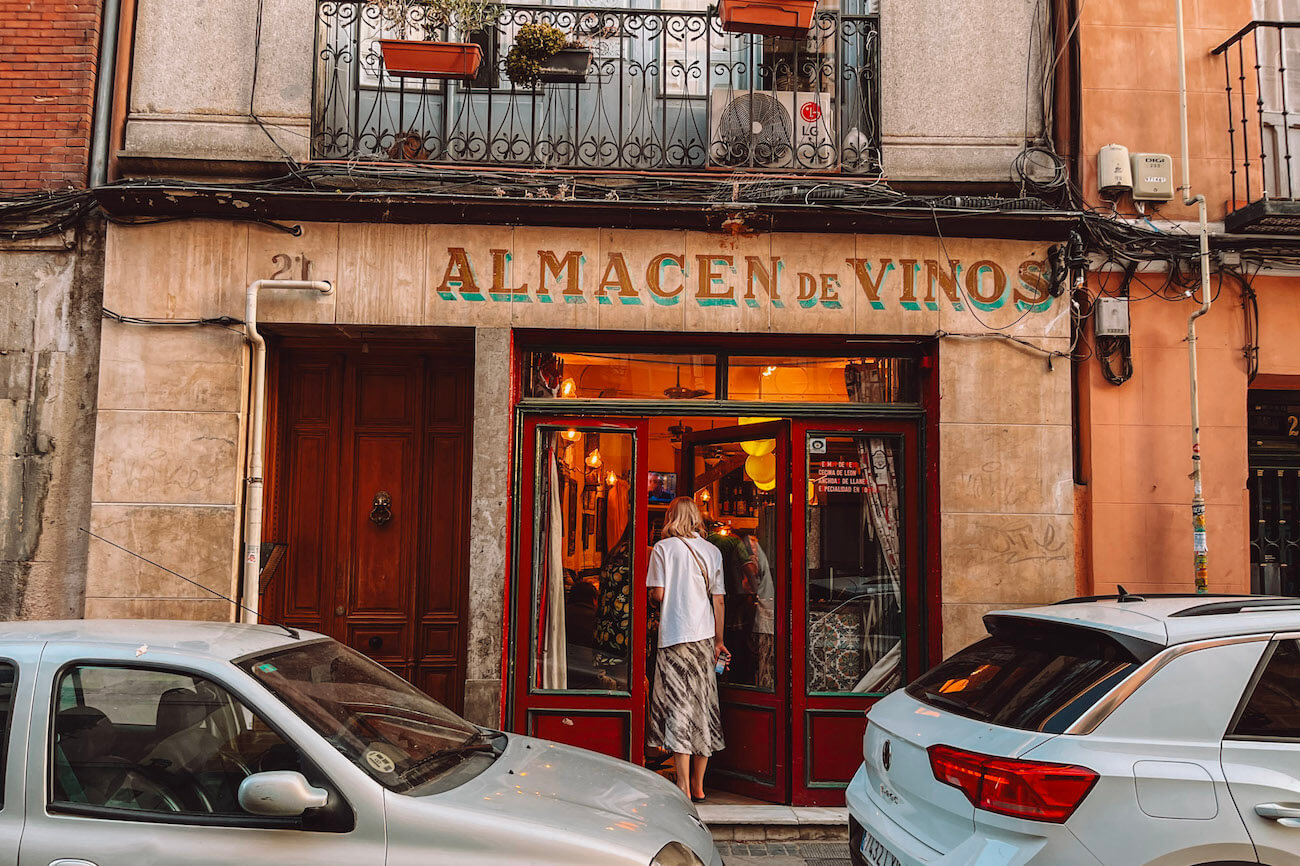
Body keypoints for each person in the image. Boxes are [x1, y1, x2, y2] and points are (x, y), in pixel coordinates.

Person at [646, 496, 727, 802]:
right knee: (702, 705)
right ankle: (699, 785)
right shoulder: (712, 551)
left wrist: (656, 601)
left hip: (674, 637)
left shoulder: (663, 549)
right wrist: (719, 640)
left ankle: (680, 784)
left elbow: (658, 593)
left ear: (670, 517)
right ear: (696, 517)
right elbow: (718, 599)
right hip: (704, 637)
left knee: (679, 705)